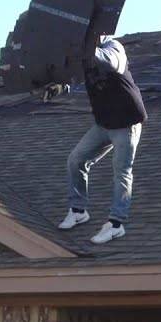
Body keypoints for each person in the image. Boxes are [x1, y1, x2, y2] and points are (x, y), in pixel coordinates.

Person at [52, 36, 147, 244]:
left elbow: (111, 62)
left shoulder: (114, 47)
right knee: (76, 160)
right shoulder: (82, 58)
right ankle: (78, 211)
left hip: (126, 122)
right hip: (104, 124)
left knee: (122, 171)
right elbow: (70, 79)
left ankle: (116, 225)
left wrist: (85, 49)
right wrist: (57, 87)